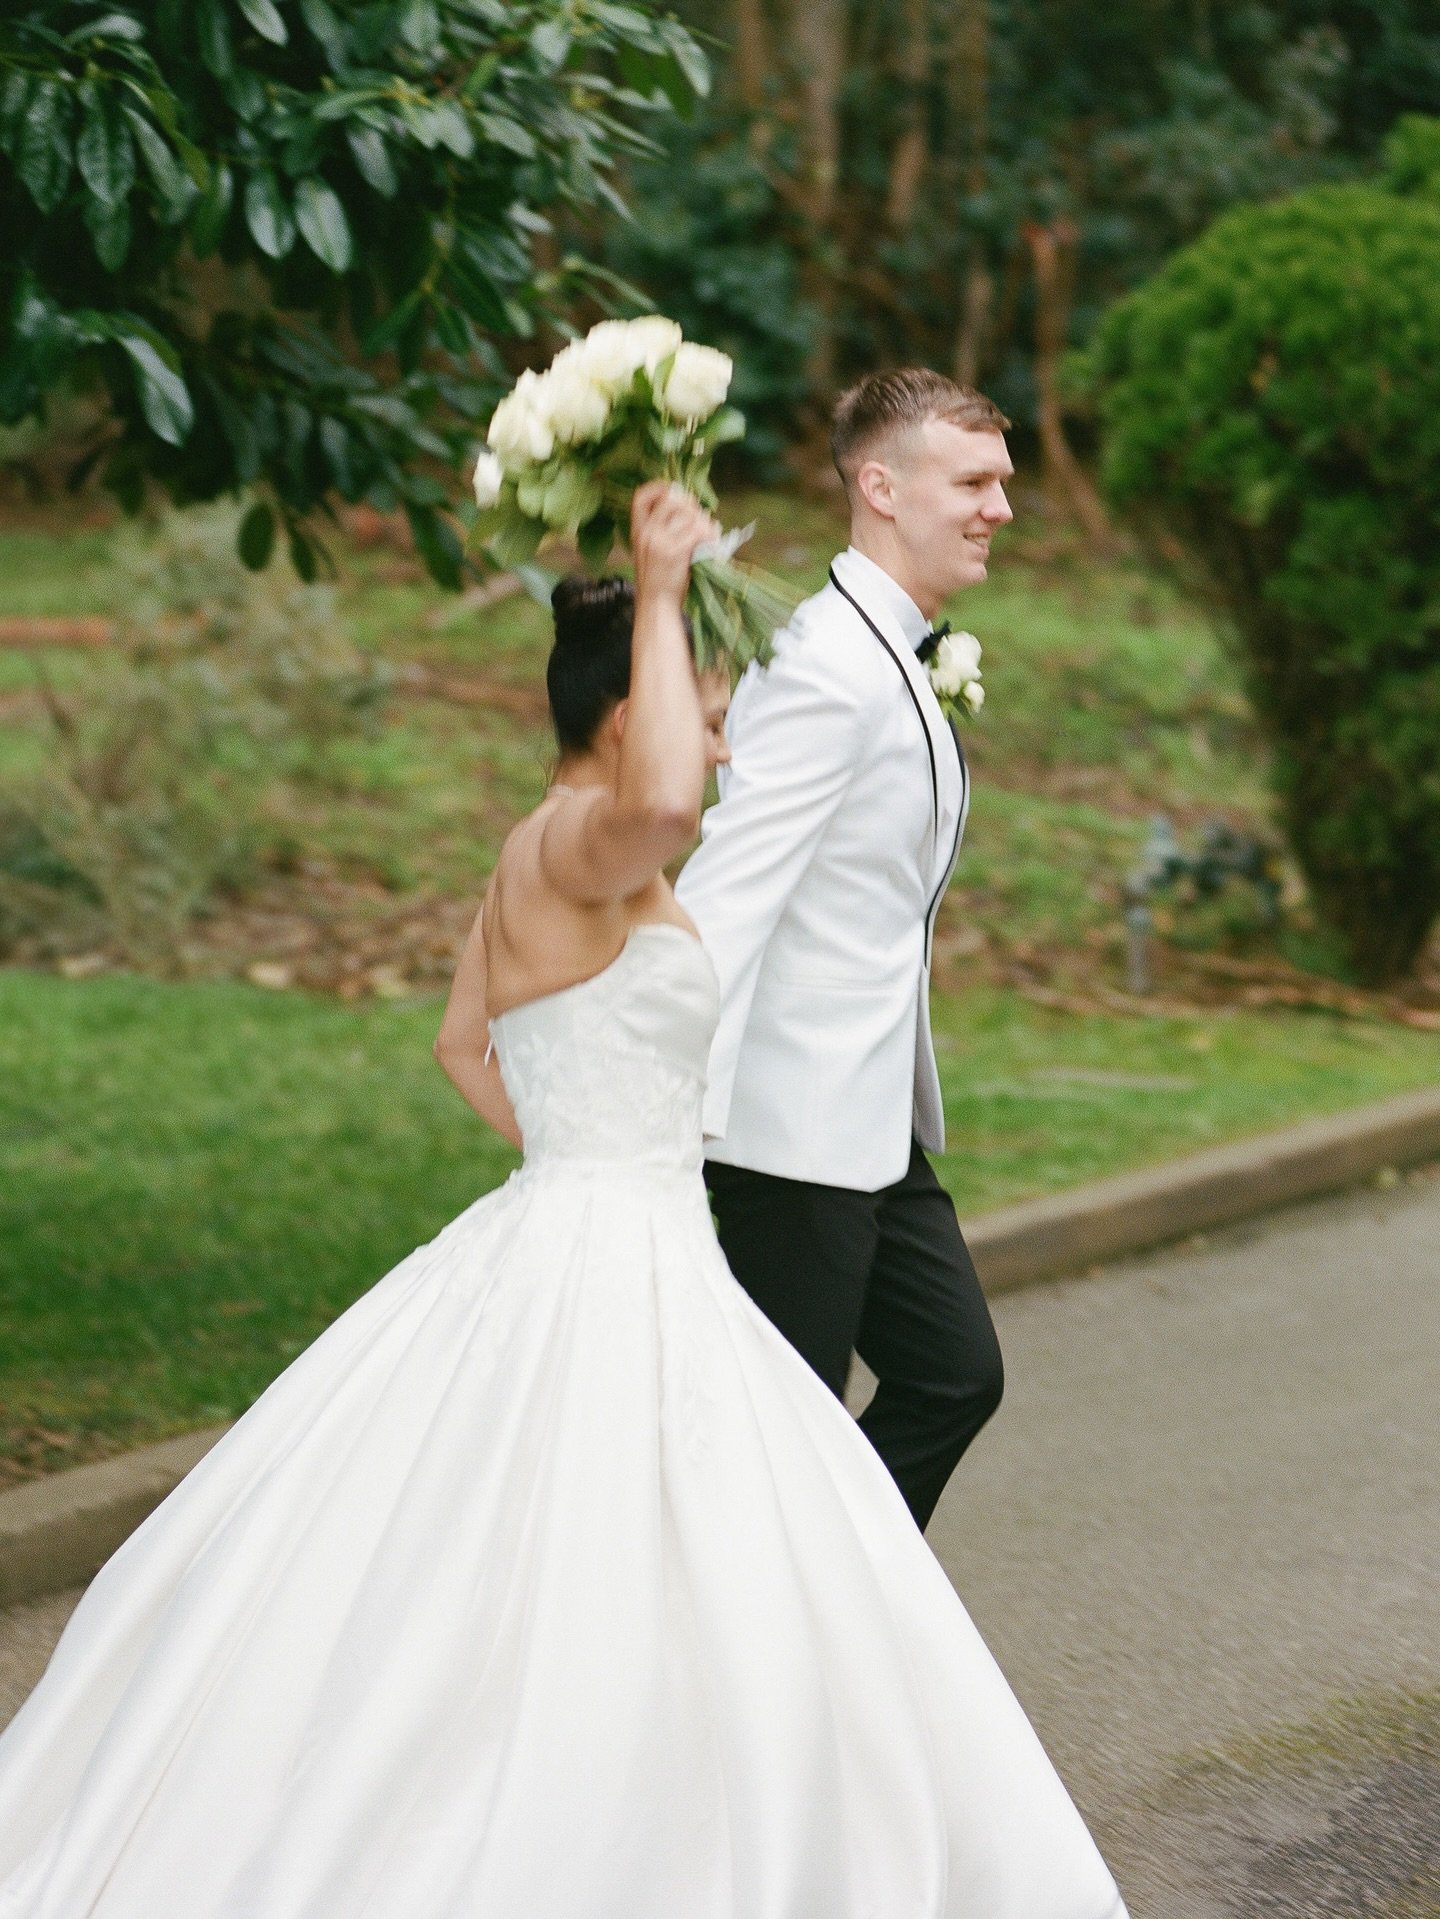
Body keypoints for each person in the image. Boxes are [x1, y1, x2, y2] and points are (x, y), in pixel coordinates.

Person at [0, 482, 1125, 1918]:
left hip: (612, 1220)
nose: (722, 744)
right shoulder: (581, 837)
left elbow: (460, 1042)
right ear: (624, 714)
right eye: (705, 714)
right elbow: (660, 806)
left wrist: (595, 1145)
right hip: (608, 1250)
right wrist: (658, 588)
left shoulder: (538, 856)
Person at [676, 367, 1015, 1531]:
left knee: (954, 1375)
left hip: (873, 1120)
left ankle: (837, 1601)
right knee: (786, 1431)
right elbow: (730, 888)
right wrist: (666, 1096)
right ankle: (768, 1619)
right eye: (972, 482)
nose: (1000, 507)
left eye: (1001, 482)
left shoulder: (891, 650)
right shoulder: (824, 662)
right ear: (881, 486)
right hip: (789, 1131)